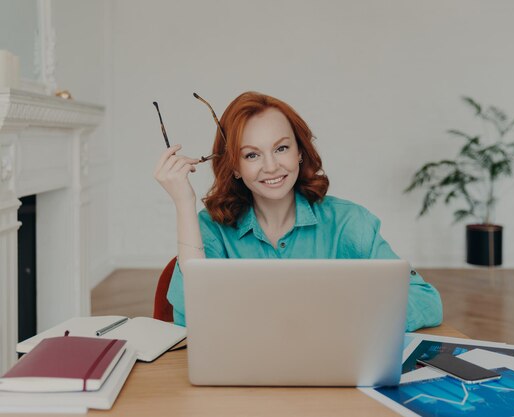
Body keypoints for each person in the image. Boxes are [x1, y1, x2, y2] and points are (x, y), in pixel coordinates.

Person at [153, 91, 442, 331]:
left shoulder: (350, 223)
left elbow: (424, 299)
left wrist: (345, 318)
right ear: (235, 167)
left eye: (281, 148)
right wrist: (183, 204)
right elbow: (192, 318)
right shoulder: (211, 228)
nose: (271, 166)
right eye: (251, 155)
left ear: (299, 151)